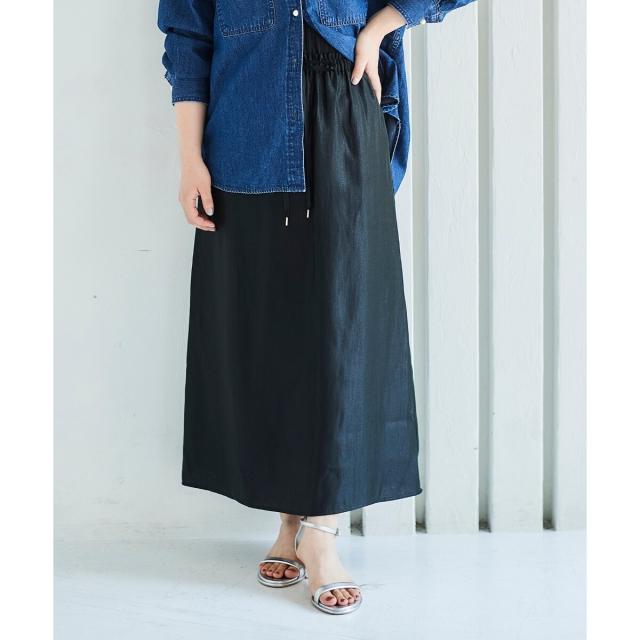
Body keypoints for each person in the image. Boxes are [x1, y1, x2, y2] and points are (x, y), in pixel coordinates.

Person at [157, 0, 476, 615]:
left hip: (346, 121)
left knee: (342, 328)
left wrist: (378, 28)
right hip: (244, 137)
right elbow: (188, 38)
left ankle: (322, 534)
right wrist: (189, 159)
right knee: (270, 332)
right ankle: (289, 520)